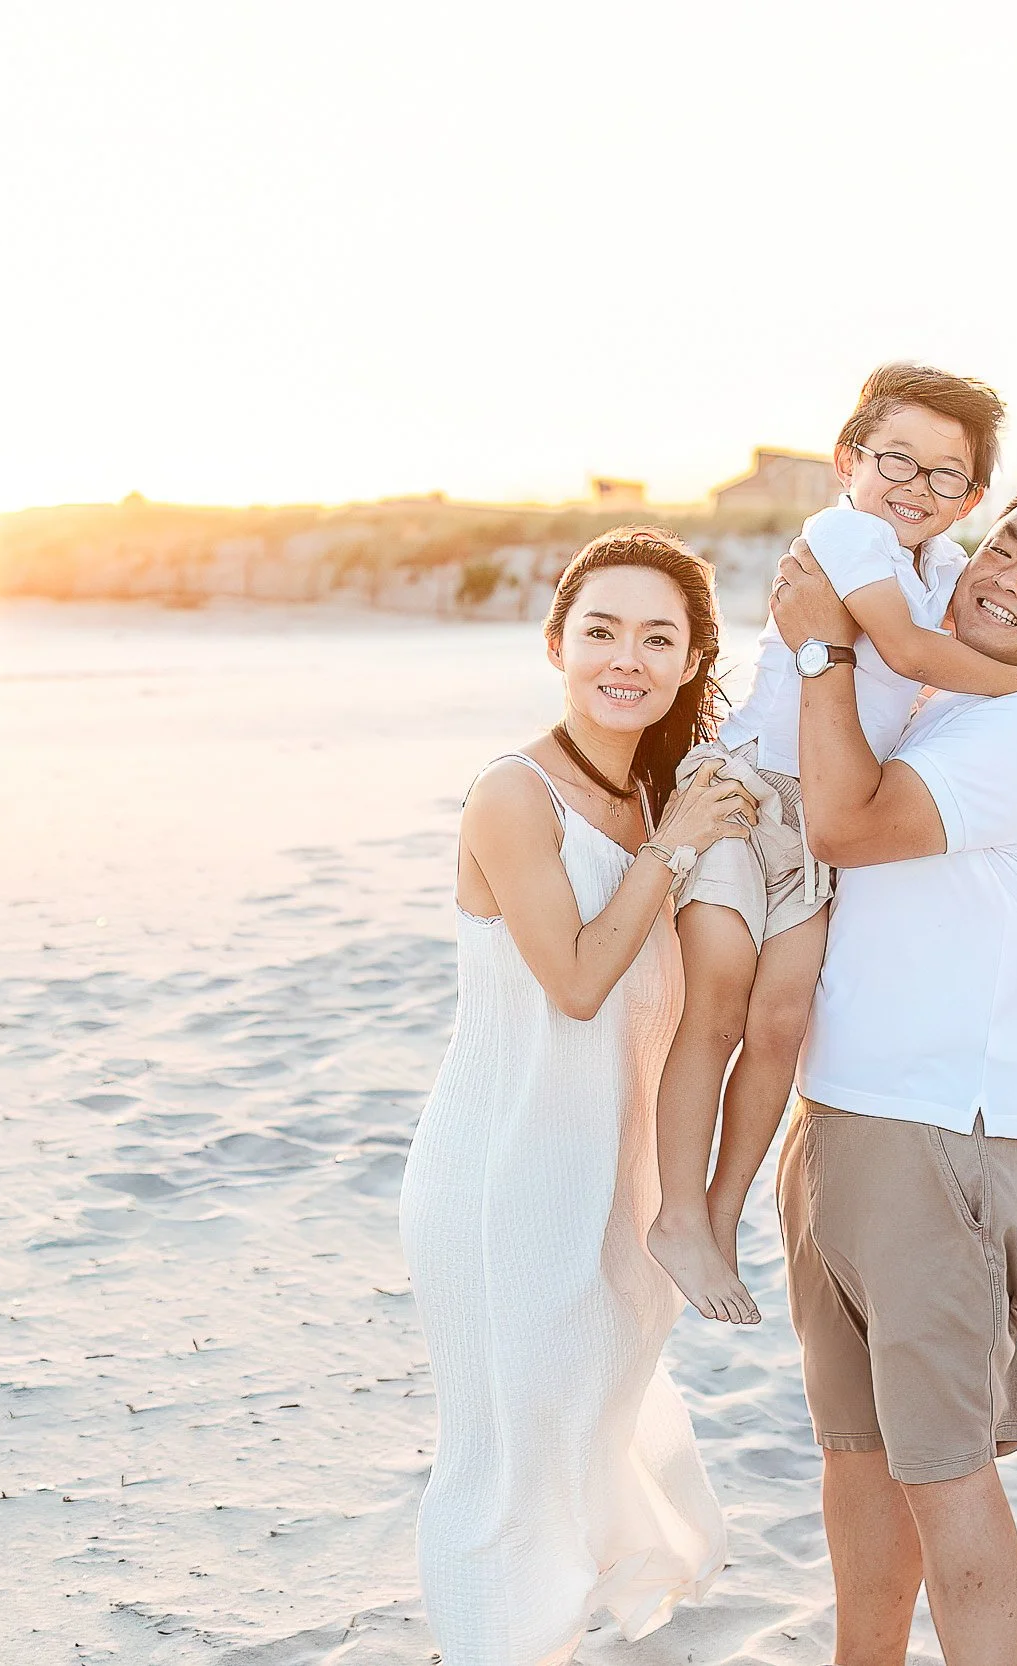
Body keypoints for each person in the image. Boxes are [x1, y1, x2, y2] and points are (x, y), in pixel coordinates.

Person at [763, 475, 1017, 1666]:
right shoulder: (950, 696)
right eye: (1005, 545)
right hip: (840, 1113)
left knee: (945, 1468)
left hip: (939, 1131)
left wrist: (825, 649)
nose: (1006, 574)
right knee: (858, 1456)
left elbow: (848, 825)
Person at [647, 364, 1017, 1325]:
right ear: (849, 459)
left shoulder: (946, 569)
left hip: (819, 825)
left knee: (781, 1023)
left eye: (946, 476)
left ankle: (719, 1220)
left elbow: (963, 651)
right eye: (896, 458)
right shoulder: (846, 537)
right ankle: (678, 1210)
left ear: (971, 498)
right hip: (746, 795)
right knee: (720, 1003)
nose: (915, 488)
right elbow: (907, 655)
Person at [398, 528, 763, 1665]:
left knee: (579, 1447)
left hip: (612, 1186)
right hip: (503, 1177)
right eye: (601, 630)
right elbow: (574, 983)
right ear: (557, 642)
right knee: (502, 1470)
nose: (627, 657)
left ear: (693, 657)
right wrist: (674, 848)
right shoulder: (516, 793)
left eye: (659, 637)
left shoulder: (663, 792)